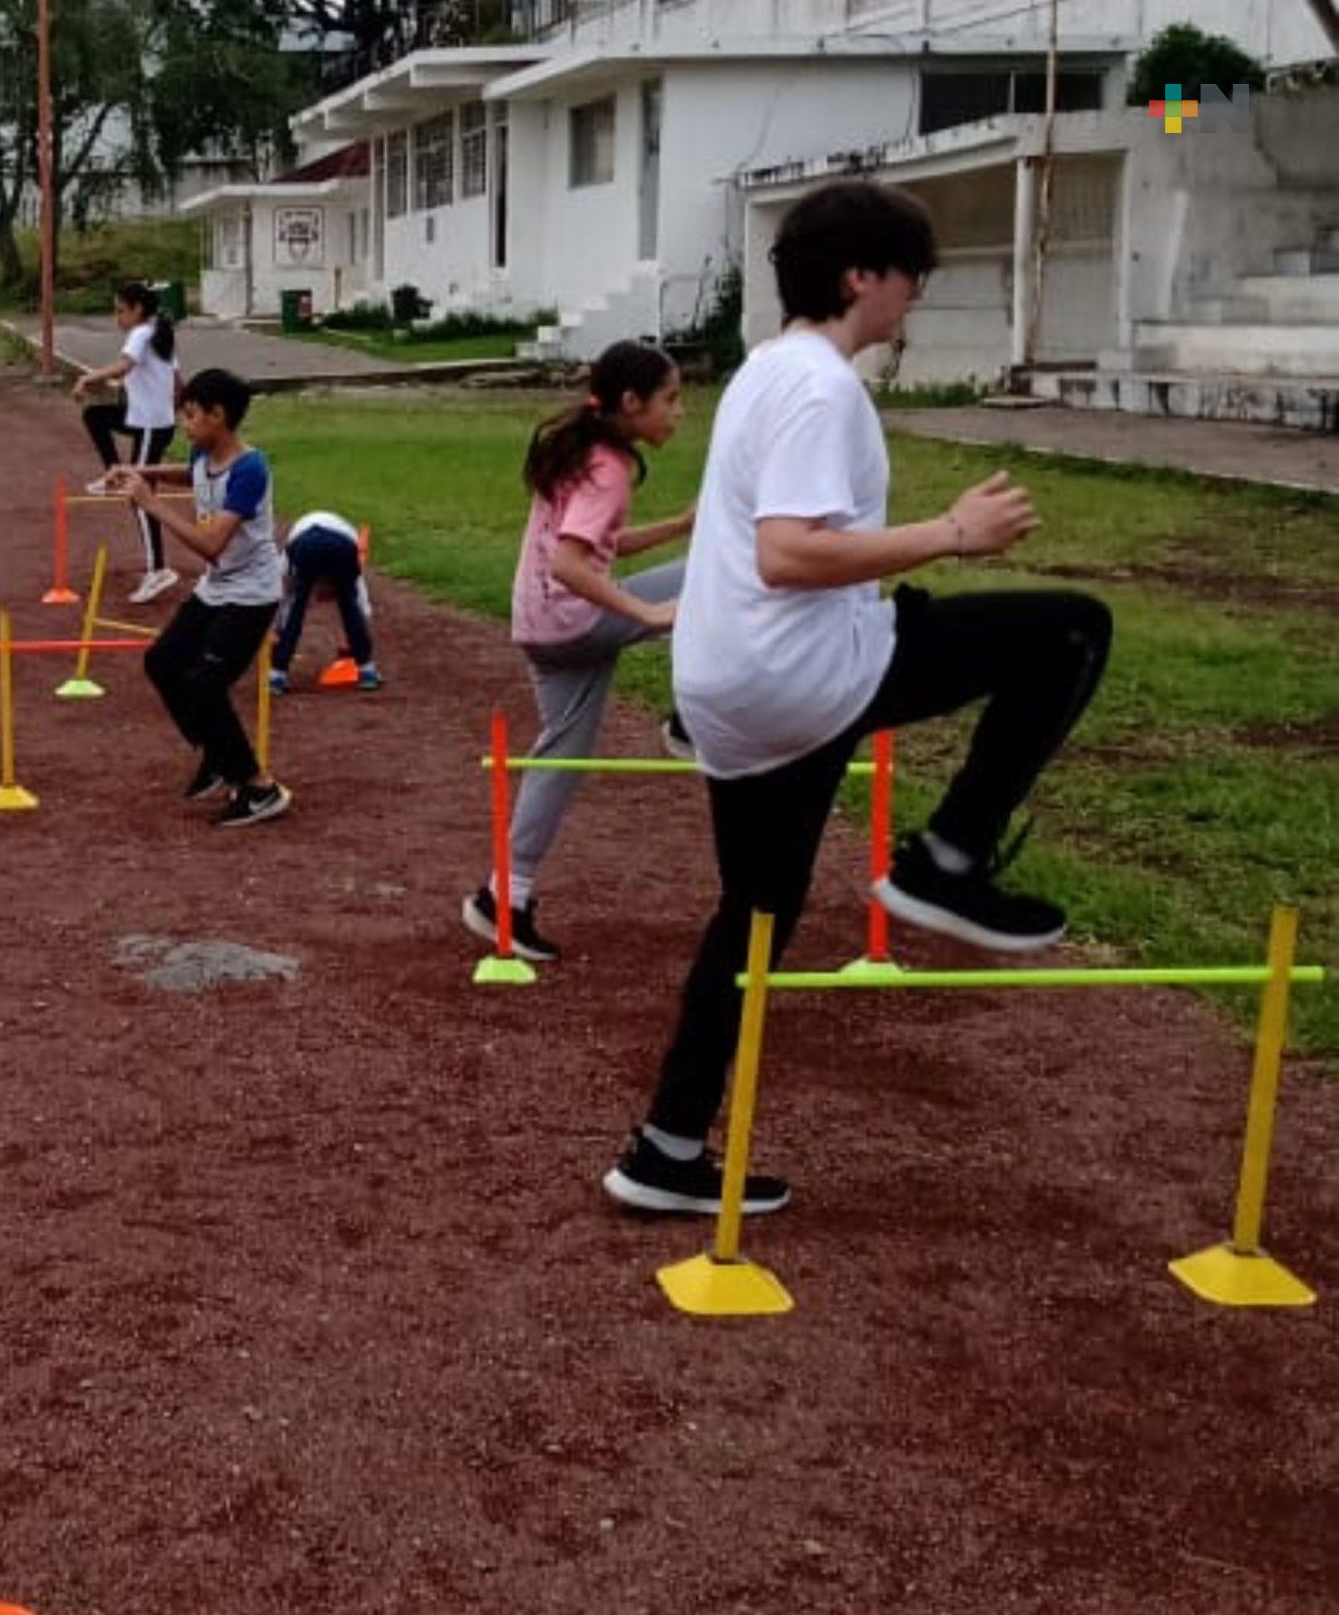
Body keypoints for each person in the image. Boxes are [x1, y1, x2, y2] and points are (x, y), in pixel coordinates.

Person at [604, 179, 1111, 1216]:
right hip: (796, 673)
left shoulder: (762, 371)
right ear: (859, 278)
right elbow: (788, 552)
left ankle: (664, 1148)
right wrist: (951, 535)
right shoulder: (817, 387)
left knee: (754, 912)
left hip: (727, 685)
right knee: (1069, 630)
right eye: (909, 278)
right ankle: (947, 857)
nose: (914, 297)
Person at [460, 342, 694, 964]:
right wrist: (647, 615)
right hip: (572, 622)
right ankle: (691, 720)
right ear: (630, 402)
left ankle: (503, 897)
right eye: (671, 399)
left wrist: (680, 523)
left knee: (561, 756)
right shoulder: (609, 468)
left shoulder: (583, 452)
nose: (680, 412)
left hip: (538, 627)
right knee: (716, 576)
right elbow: (570, 565)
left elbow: (599, 548)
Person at [106, 368, 291, 828]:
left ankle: (259, 786)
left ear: (219, 415)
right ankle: (216, 754)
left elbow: (211, 545)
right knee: (163, 662)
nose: (184, 425)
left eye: (190, 416)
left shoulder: (250, 469)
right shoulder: (205, 453)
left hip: (252, 594)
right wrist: (140, 472)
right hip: (218, 588)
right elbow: (188, 472)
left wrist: (151, 503)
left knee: (207, 685)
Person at [73, 282, 183, 604]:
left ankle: (158, 570)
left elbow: (123, 367)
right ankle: (114, 474)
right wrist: (183, 408)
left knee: (140, 498)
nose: (116, 317)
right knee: (96, 416)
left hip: (150, 426)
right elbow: (177, 381)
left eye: (120, 310)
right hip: (145, 420)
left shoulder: (142, 334)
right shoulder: (158, 334)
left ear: (137, 310)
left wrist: (86, 378)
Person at [268, 511, 381, 695]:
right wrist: (353, 645)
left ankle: (277, 675)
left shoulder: (288, 561)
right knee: (348, 602)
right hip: (341, 545)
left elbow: (283, 599)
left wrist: (278, 630)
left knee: (298, 605)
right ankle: (367, 671)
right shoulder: (350, 559)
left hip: (306, 543)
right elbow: (361, 606)